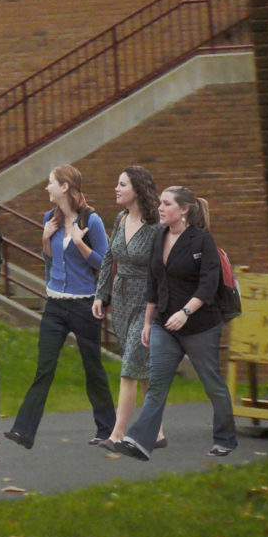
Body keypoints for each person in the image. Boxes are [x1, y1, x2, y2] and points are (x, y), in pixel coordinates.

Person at [111, 185, 238, 460]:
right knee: (157, 382)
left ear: (184, 210)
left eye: (167, 204)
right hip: (164, 324)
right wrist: (147, 323)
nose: (160, 208)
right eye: (160, 203)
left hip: (200, 325)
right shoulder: (159, 237)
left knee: (212, 382)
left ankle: (225, 439)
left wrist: (186, 312)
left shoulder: (201, 240)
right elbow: (154, 283)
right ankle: (141, 441)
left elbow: (208, 284)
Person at [6, 164, 112, 448]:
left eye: (50, 182)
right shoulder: (48, 218)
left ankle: (107, 430)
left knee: (93, 368)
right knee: (44, 368)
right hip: (54, 305)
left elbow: (106, 265)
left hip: (85, 306)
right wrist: (44, 240)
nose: (46, 188)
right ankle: (23, 431)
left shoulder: (93, 221)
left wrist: (81, 244)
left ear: (65, 187)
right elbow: (52, 263)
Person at [94, 166, 163, 447]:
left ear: (137, 189)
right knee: (141, 369)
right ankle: (157, 433)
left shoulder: (156, 227)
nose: (116, 188)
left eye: (122, 184)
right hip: (121, 300)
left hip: (146, 301)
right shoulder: (121, 219)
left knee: (129, 369)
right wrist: (101, 294)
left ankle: (118, 434)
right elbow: (109, 256)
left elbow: (161, 271)